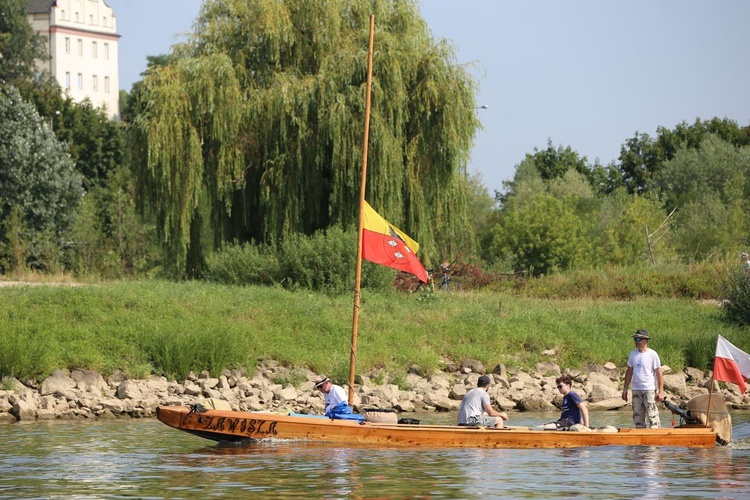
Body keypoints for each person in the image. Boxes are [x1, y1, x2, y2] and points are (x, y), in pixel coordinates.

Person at [621, 329, 664, 428]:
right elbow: (629, 372)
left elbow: (659, 374)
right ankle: (640, 438)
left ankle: (655, 437)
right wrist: (625, 389)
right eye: (635, 339)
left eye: (638, 339)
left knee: (652, 416)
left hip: (649, 389)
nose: (636, 341)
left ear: (645, 340)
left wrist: (661, 391)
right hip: (636, 389)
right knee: (637, 417)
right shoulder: (633, 354)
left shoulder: (653, 354)